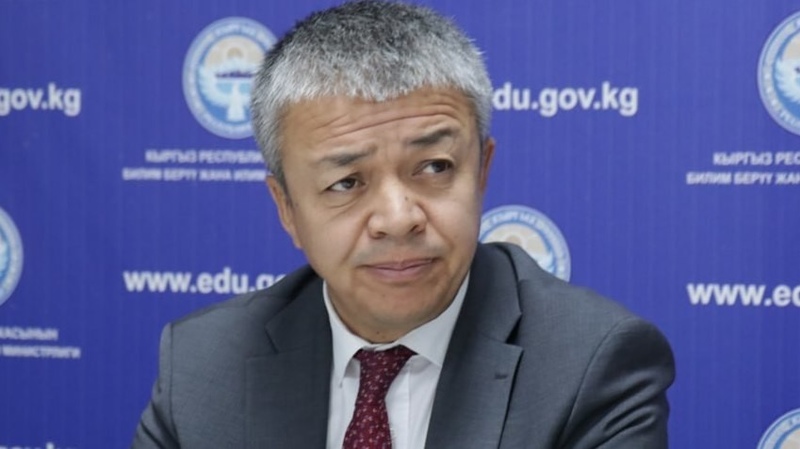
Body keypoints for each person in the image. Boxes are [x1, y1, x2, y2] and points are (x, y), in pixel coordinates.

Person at [131, 1, 675, 448]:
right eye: (347, 182)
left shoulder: (591, 365)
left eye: (434, 168)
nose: (398, 219)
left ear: (482, 173)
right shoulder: (203, 367)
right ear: (287, 208)